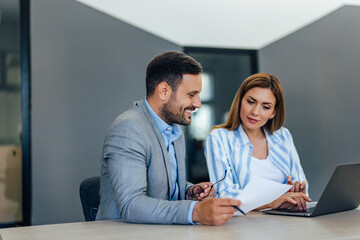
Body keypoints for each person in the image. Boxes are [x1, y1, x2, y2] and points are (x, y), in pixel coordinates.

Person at [96, 51, 240, 225]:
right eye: (191, 94)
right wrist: (194, 211)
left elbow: (163, 186)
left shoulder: (174, 127)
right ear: (164, 91)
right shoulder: (128, 128)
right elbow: (131, 205)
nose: (198, 104)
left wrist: (189, 190)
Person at [205, 73, 311, 211]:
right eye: (250, 102)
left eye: (265, 107)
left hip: (285, 222)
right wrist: (272, 202)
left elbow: (302, 185)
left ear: (273, 112)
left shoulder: (283, 136)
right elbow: (225, 194)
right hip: (243, 226)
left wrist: (298, 195)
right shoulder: (219, 138)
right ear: (240, 101)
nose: (255, 112)